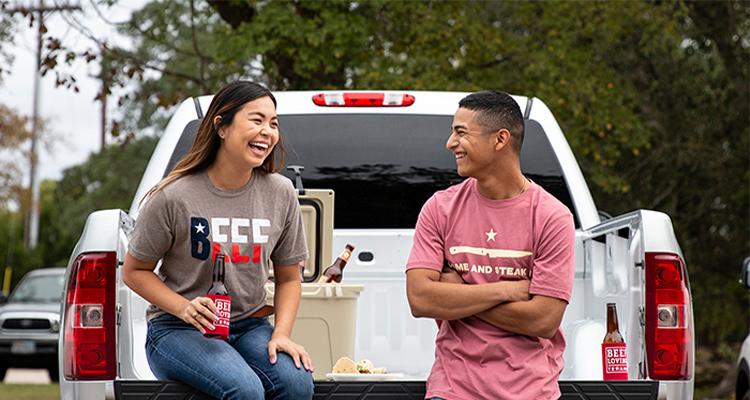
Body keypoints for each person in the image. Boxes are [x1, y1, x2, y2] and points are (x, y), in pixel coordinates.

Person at [122, 80, 314, 400]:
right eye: (256, 120)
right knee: (245, 390)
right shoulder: (174, 196)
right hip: (177, 330)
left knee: (296, 384)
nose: (267, 131)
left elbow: (290, 278)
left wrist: (281, 333)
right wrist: (184, 309)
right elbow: (134, 272)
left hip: (250, 327)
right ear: (221, 127)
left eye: (274, 123)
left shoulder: (280, 193)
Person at [405, 90, 575, 400]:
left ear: (500, 140)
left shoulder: (552, 217)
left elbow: (544, 320)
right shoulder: (440, 208)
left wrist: (457, 294)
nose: (450, 143)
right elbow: (420, 299)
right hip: (452, 390)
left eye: (461, 133)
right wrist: (506, 290)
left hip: (531, 392)